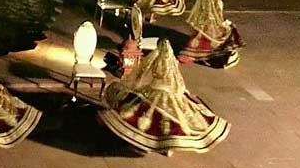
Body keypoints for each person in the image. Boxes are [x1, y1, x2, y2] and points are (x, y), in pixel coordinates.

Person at [98, 40, 230, 154]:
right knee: (169, 118)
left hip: (156, 91)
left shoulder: (155, 59)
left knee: (149, 116)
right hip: (167, 91)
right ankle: (167, 146)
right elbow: (176, 79)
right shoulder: (171, 62)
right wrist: (181, 91)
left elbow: (144, 72)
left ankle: (154, 143)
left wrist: (134, 83)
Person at [179, 0, 244, 69]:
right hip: (210, 25)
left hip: (212, 24)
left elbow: (217, 14)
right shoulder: (212, 4)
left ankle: (213, 55)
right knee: (208, 41)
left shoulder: (212, 2)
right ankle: (209, 56)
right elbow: (215, 15)